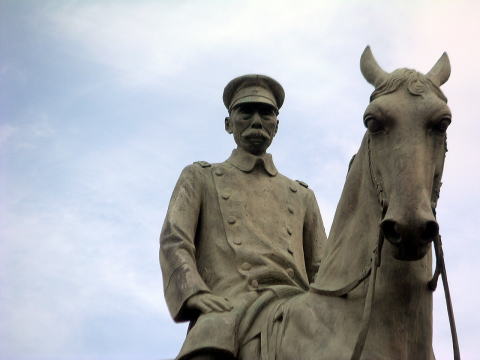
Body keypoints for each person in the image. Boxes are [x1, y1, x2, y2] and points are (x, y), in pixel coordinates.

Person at [160, 74, 327, 360]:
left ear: (276, 125)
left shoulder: (301, 195)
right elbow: (175, 240)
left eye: (266, 112)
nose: (256, 120)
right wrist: (193, 293)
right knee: (207, 342)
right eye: (246, 111)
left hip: (297, 308)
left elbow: (322, 267)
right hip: (230, 306)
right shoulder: (201, 177)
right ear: (228, 124)